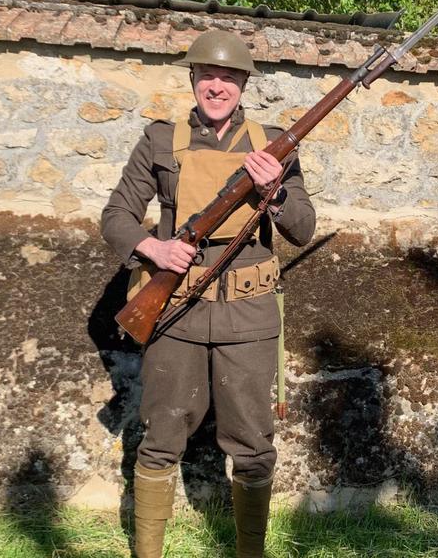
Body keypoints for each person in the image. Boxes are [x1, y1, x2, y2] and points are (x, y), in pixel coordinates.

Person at [101, 29, 316, 558]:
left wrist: (275, 192)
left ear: (243, 84)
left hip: (250, 319)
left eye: (229, 77)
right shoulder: (159, 140)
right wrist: (153, 249)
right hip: (176, 313)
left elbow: (304, 228)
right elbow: (116, 217)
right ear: (193, 79)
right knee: (162, 435)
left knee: (252, 446)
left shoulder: (274, 143)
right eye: (207, 75)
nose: (217, 86)